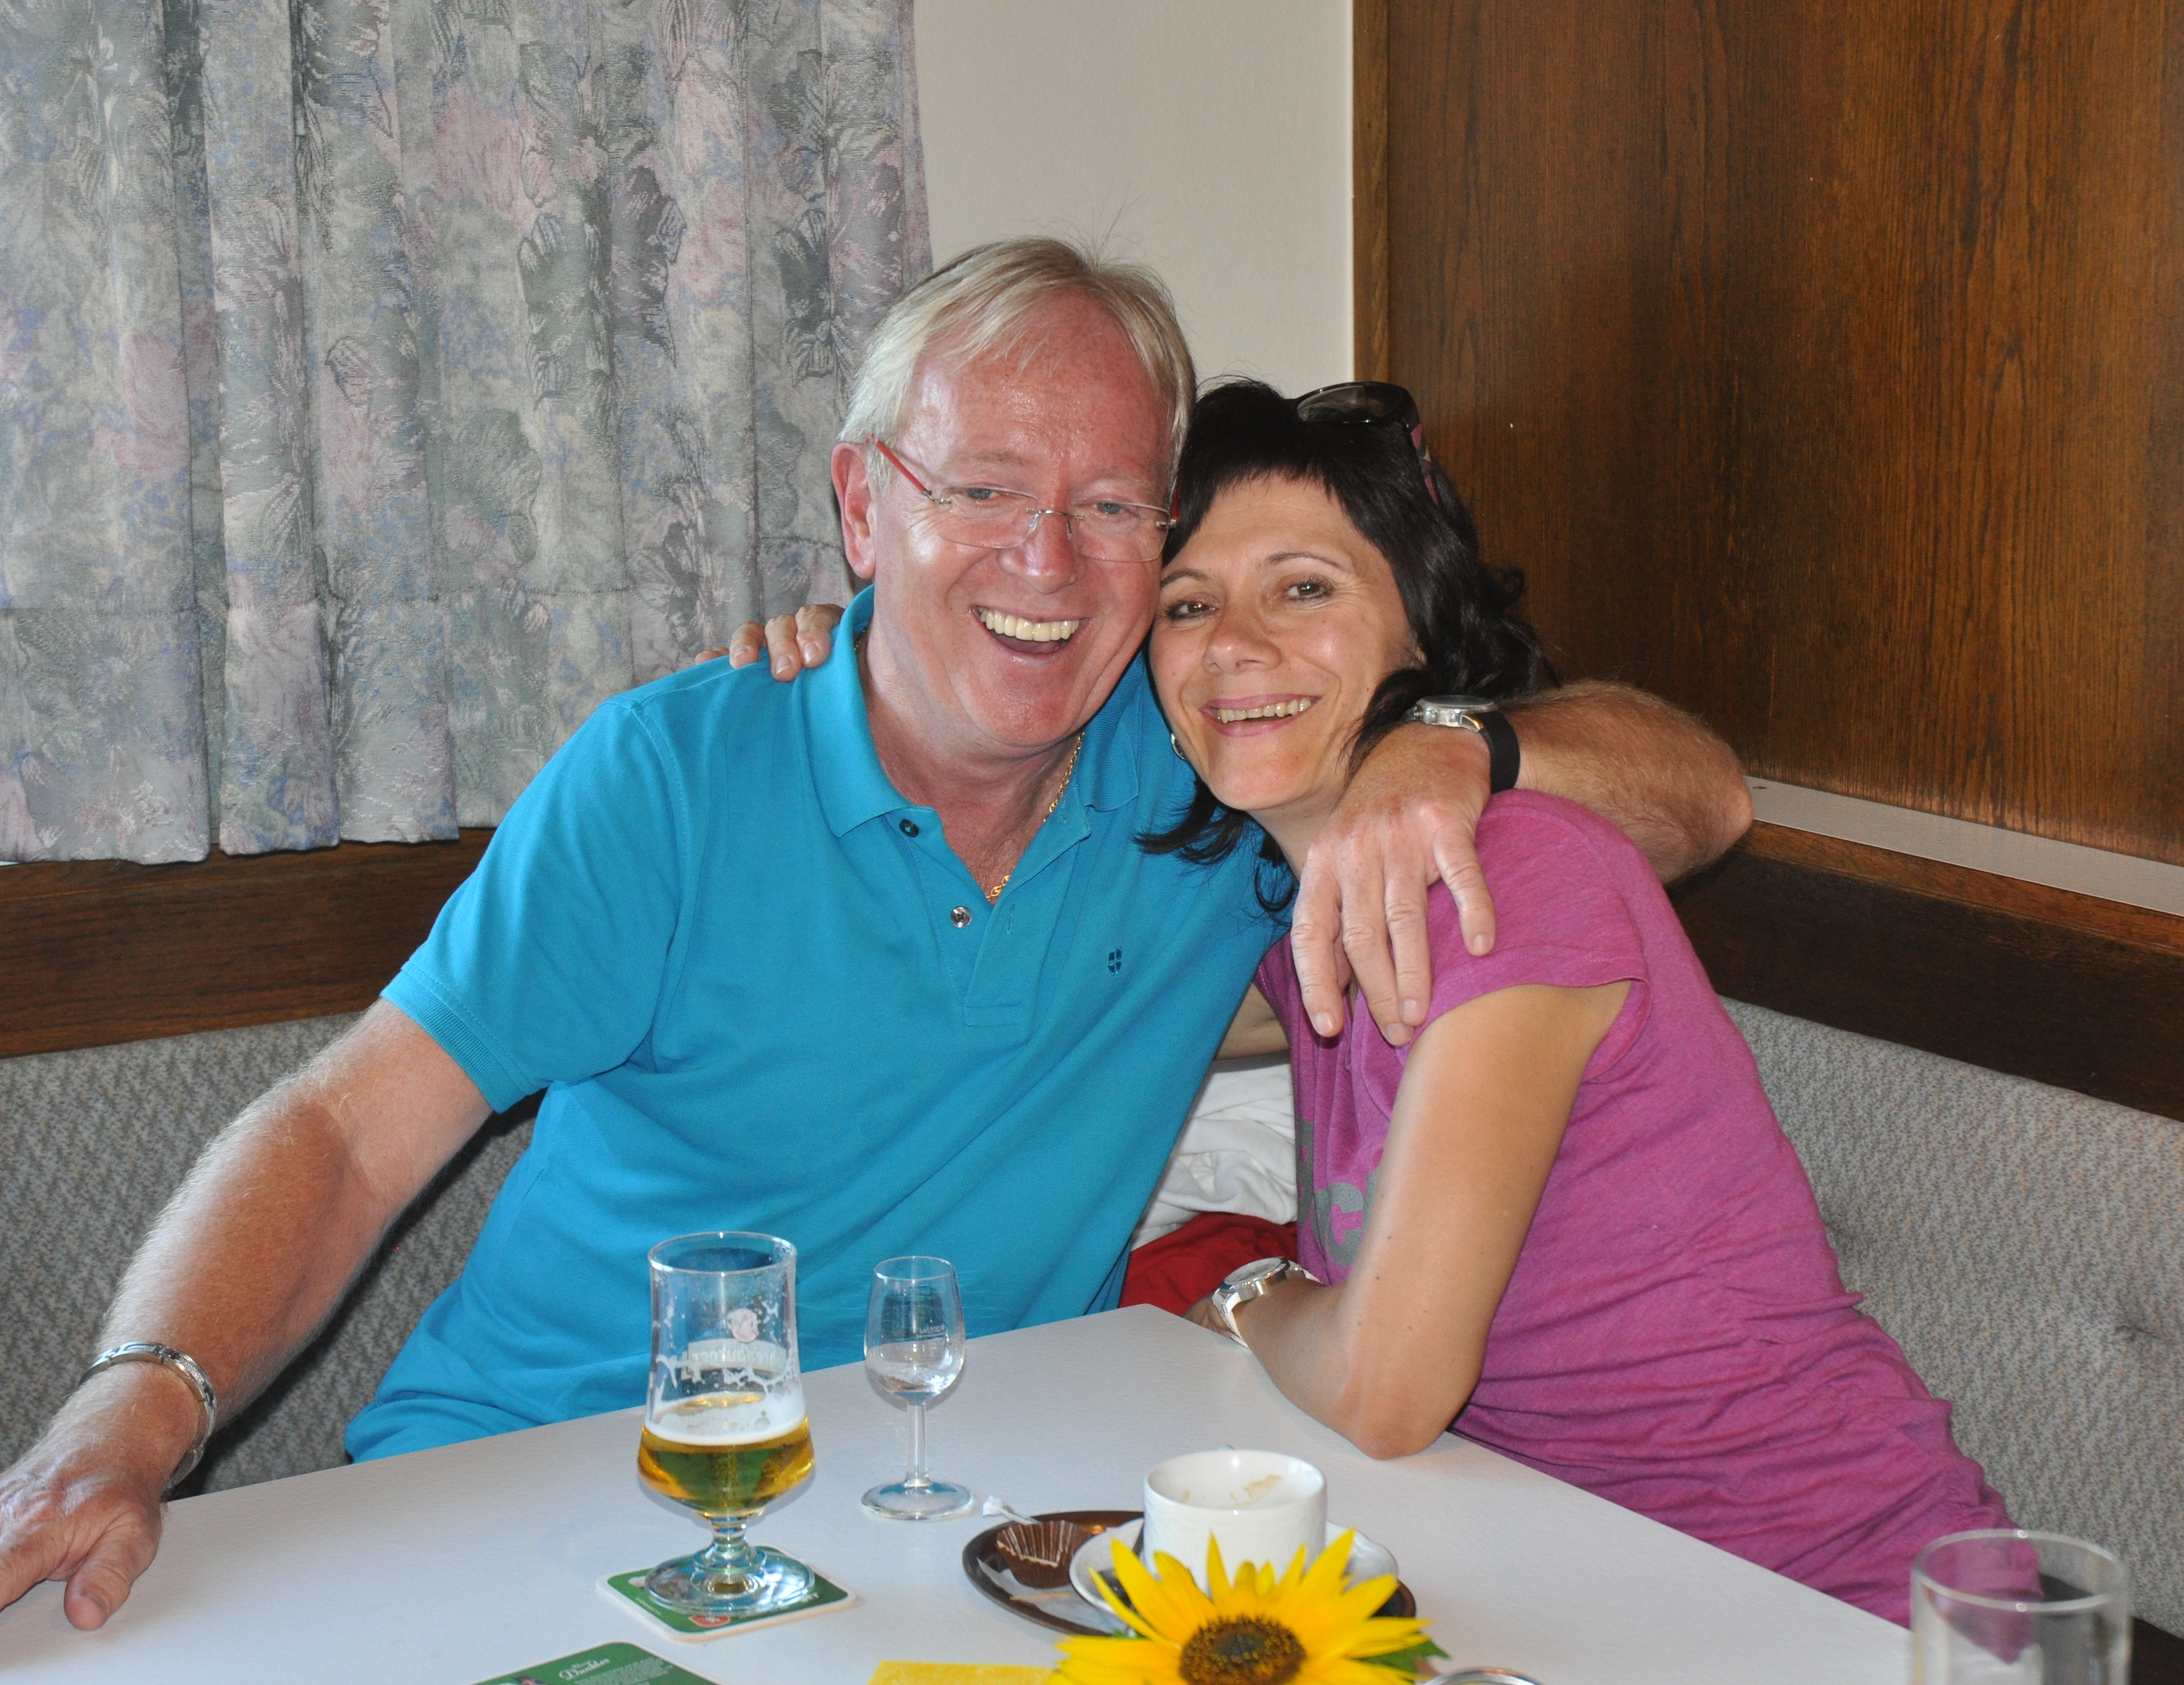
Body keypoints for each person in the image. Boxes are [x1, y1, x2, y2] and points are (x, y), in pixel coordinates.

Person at [0, 238, 1752, 1631]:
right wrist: (126, 1416)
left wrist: (1454, 750)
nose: (1047, 561)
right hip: (544, 1493)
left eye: (1112, 506)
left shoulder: (1215, 778)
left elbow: (1700, 798)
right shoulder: (674, 776)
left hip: (939, 1515)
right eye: (981, 488)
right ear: (862, 506)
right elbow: (343, 1129)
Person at [1151, 379, 2009, 1624]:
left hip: (1829, 1606)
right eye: (1187, 604)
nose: (1234, 642)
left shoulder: (1514, 873)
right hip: (1569, 1578)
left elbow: (1388, 1392)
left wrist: (1249, 1292)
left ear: (1419, 632)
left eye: (1304, 588)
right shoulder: (1309, 940)